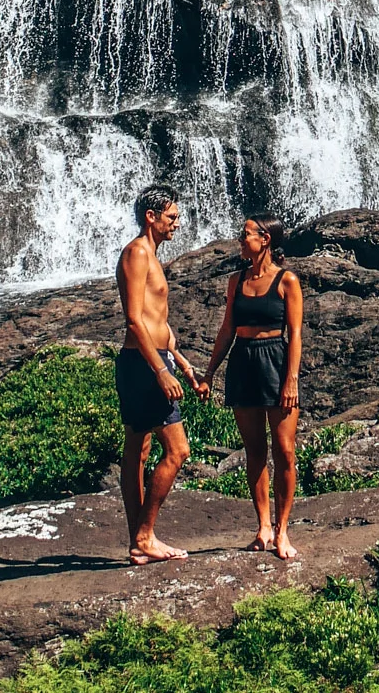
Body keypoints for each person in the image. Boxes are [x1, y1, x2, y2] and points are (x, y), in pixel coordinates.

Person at [114, 183, 209, 565]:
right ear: (151, 217)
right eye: (172, 217)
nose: (178, 224)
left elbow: (159, 324)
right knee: (178, 449)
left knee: (139, 450)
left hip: (149, 361)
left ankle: (138, 541)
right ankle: (145, 535)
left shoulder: (150, 255)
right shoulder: (137, 253)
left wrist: (183, 366)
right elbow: (134, 319)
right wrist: (160, 372)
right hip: (144, 364)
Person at [202, 213, 304, 560]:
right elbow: (227, 329)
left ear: (266, 240)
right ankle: (263, 526)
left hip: (275, 360)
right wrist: (210, 372)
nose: (241, 240)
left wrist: (291, 379)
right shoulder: (237, 280)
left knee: (285, 450)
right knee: (255, 451)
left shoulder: (287, 281)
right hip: (243, 362)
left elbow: (295, 335)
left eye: (246, 235)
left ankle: (283, 530)